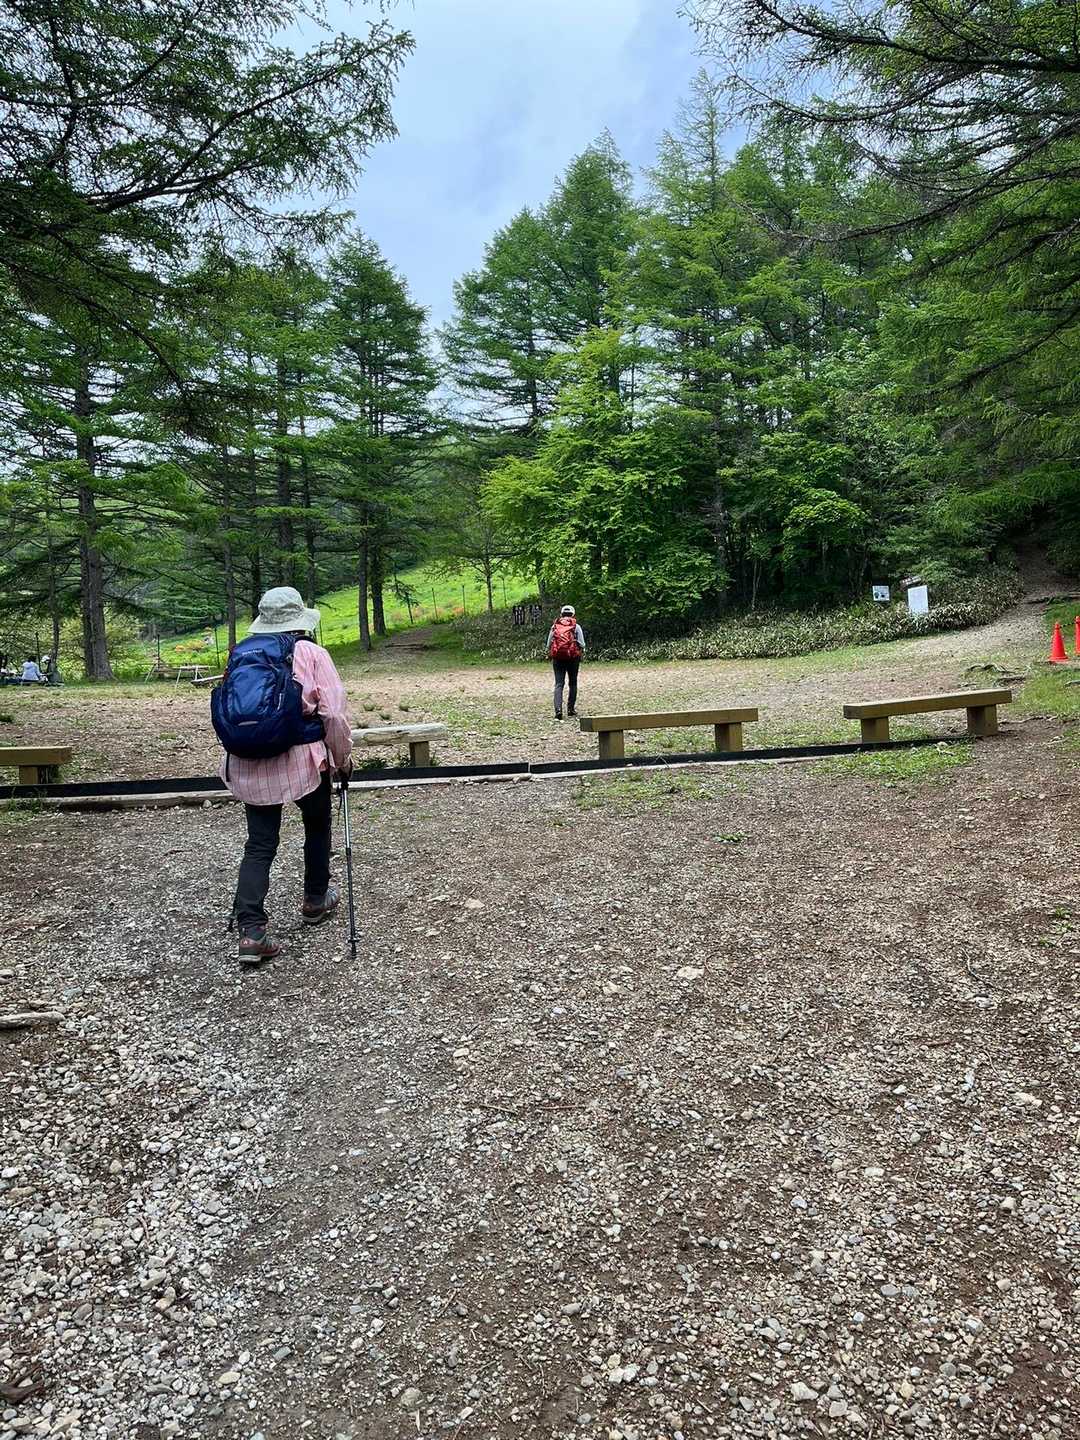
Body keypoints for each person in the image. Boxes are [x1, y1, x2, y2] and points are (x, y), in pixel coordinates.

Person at [219, 586, 353, 966]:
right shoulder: (311, 652)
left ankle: (251, 930)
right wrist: (342, 758)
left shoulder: (242, 653)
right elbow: (333, 713)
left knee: (259, 843)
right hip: (303, 759)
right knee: (317, 825)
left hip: (250, 757)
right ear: (300, 620)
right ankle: (315, 899)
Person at [546, 605, 585, 721]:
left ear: (561, 614)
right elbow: (582, 644)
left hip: (558, 658)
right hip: (573, 658)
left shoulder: (554, 626)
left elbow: (548, 644)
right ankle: (570, 709)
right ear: (573, 614)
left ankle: (558, 710)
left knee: (559, 684)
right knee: (573, 683)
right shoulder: (576, 626)